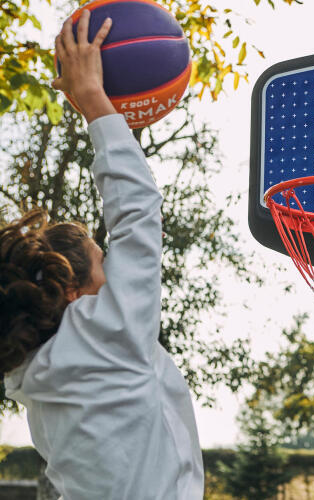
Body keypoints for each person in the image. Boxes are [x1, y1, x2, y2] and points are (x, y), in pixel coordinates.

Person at [1, 10, 204, 499]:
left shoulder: (31, 374)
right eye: (102, 261)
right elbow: (137, 212)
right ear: (73, 291)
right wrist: (94, 100)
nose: (115, 270)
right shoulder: (108, 331)